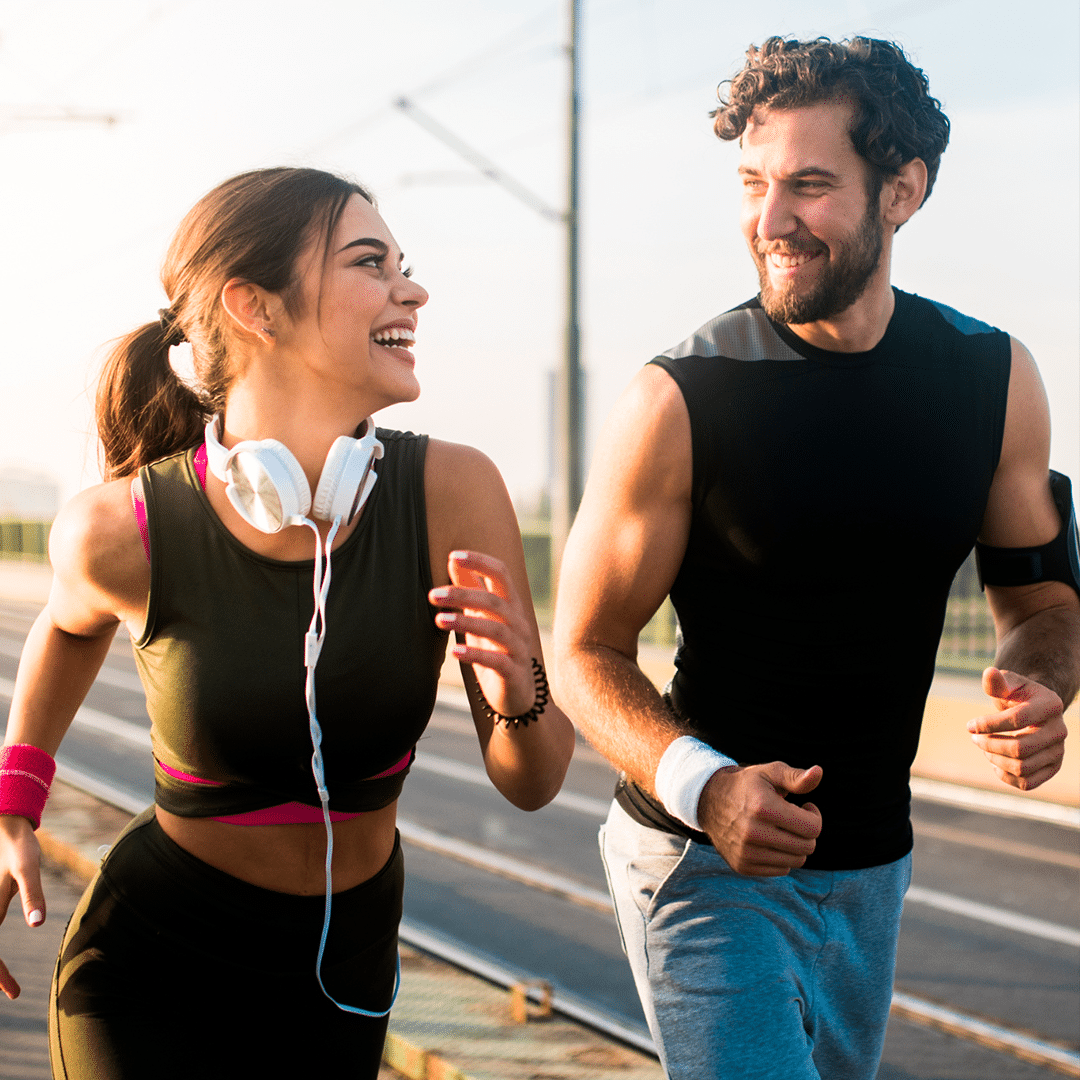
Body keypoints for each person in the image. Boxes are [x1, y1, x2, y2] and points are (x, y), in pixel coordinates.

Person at [552, 35, 1080, 1080]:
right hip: (699, 858)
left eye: (809, 185)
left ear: (903, 191)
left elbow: (1043, 602)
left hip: (876, 864)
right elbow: (582, 649)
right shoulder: (679, 399)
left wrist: (1045, 688)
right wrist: (706, 788)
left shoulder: (994, 378)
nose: (769, 220)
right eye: (753, 184)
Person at [0, 167, 575, 1079]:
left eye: (405, 265)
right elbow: (67, 628)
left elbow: (535, 783)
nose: (412, 289)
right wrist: (13, 803)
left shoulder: (456, 495)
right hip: (148, 968)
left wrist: (518, 687)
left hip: (342, 977)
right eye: (369, 263)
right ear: (254, 308)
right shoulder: (122, 528)